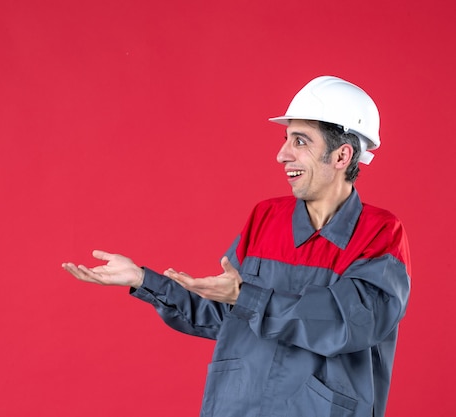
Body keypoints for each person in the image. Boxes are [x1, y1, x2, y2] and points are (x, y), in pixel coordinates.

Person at [62, 76, 411, 417]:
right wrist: (142, 279)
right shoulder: (266, 217)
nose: (282, 154)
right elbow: (227, 316)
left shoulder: (379, 233)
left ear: (341, 156)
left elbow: (347, 324)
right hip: (237, 405)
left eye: (300, 141)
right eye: (286, 139)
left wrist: (247, 296)